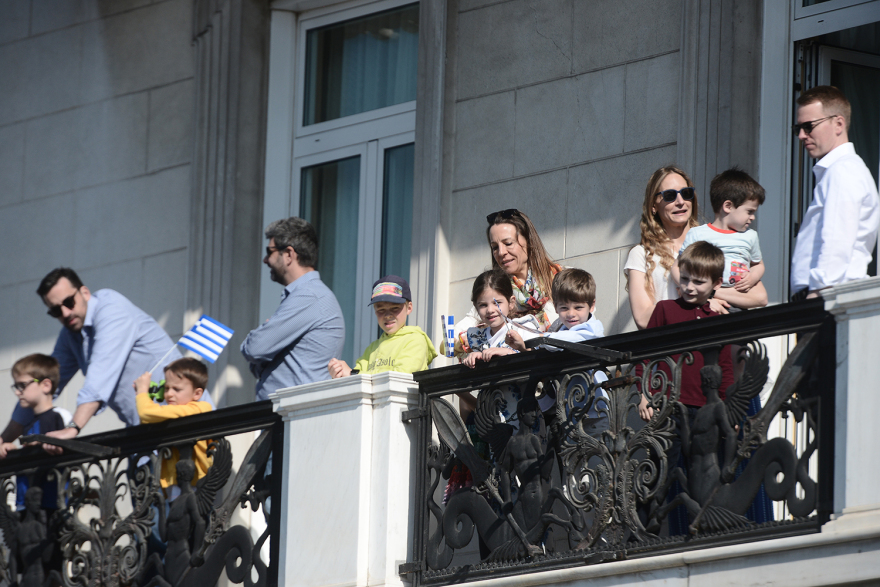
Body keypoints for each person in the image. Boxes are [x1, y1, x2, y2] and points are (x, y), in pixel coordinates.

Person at [0, 268, 189, 451]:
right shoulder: (70, 335)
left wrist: (73, 428)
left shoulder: (111, 310)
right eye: (56, 311)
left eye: (69, 302)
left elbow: (99, 378)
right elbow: (42, 381)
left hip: (184, 425)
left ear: (85, 292)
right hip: (144, 433)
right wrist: (3, 440)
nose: (65, 313)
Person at [791, 85, 880, 299]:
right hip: (830, 294)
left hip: (828, 295)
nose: (802, 135)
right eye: (798, 128)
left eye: (809, 126)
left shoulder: (842, 170)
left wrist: (819, 292)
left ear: (838, 124)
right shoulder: (842, 169)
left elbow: (837, 239)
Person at [240, 217, 345, 399]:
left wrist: (261, 334)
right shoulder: (305, 296)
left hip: (293, 413)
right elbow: (258, 366)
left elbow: (255, 348)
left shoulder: (309, 296)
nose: (265, 260)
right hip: (285, 412)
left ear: (289, 254)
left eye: (270, 251)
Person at [638, 241, 734, 420]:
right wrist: (643, 394)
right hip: (666, 404)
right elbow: (644, 354)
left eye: (698, 282)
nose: (689, 287)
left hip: (707, 409)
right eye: (684, 278)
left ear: (717, 283)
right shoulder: (665, 309)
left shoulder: (718, 321)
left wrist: (728, 409)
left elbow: (725, 368)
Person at [625, 167, 719, 330]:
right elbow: (643, 318)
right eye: (670, 195)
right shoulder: (641, 254)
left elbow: (751, 295)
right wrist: (701, 307)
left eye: (686, 193)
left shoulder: (712, 243)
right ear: (653, 205)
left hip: (713, 339)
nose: (680, 201)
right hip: (671, 343)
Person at [673, 168, 769, 309]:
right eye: (749, 211)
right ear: (728, 206)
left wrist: (753, 277)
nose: (753, 217)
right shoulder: (697, 234)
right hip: (704, 303)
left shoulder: (750, 236)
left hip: (739, 301)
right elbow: (677, 267)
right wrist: (690, 288)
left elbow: (758, 264)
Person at [327, 275, 437, 378]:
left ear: (409, 308)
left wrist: (352, 373)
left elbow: (399, 377)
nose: (387, 315)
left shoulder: (415, 340)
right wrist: (340, 373)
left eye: (395, 308)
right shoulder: (372, 348)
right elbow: (357, 380)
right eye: (381, 309)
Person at [1, 354, 69, 511]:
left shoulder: (60, 414)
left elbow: (72, 427)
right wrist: (13, 452)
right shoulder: (28, 423)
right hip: (26, 503)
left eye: (22, 385)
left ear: (46, 385)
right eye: (16, 386)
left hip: (50, 503)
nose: (17, 392)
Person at [134, 358, 213, 491]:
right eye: (166, 388)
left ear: (197, 393)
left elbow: (145, 413)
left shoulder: (199, 408)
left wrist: (142, 392)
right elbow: (147, 420)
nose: (169, 394)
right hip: (173, 482)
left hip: (195, 484)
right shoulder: (174, 412)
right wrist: (147, 397)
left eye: (176, 389)